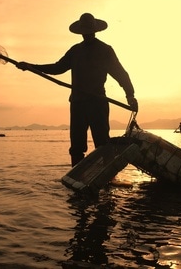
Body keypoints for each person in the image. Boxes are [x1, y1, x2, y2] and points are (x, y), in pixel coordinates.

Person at [17, 13, 138, 167]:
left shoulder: (105, 50)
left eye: (89, 31)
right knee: (76, 147)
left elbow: (120, 74)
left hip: (98, 102)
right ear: (81, 32)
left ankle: (108, 179)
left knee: (102, 143)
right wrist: (31, 67)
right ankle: (77, 176)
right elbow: (57, 68)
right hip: (78, 103)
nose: (87, 34)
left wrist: (130, 95)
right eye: (84, 32)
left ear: (94, 31)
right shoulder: (75, 51)